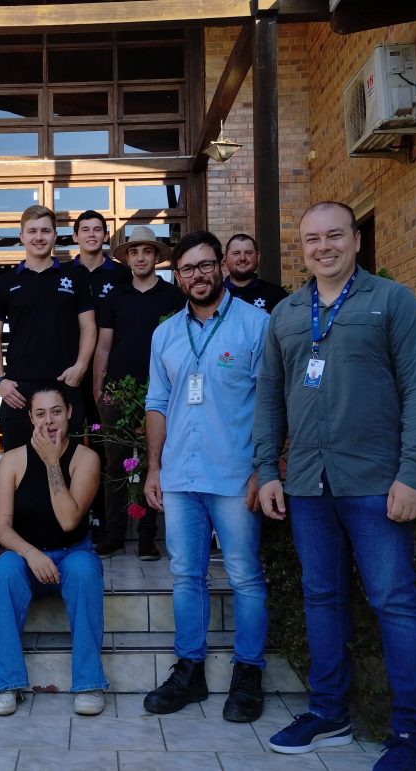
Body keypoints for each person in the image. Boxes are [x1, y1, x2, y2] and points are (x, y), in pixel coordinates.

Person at [255, 201, 416, 770]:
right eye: (312, 240)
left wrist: (414, 473)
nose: (324, 247)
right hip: (309, 485)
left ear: (356, 240)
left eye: (335, 235)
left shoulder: (392, 301)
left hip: (375, 483)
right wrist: (268, 470)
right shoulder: (286, 314)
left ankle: (413, 734)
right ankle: (329, 713)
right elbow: (268, 401)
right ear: (302, 248)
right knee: (321, 599)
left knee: (394, 602)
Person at [142, 230, 270, 723]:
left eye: (205, 265)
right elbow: (157, 404)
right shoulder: (166, 333)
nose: (197, 275)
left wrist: (264, 469)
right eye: (187, 269)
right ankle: (190, 670)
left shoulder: (256, 325)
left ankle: (248, 674)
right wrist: (154, 467)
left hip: (236, 475)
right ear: (178, 277)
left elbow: (270, 403)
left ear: (222, 266)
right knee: (184, 577)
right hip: (179, 476)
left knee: (244, 577)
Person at [0, 384, 107, 717]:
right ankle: (5, 683)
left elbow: (68, 520)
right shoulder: (11, 460)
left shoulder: (86, 458)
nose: (49, 421)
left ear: (69, 412)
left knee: (84, 572)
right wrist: (31, 554)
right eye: (40, 414)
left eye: (56, 411)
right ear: (30, 418)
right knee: (5, 570)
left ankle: (88, 682)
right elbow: (1, 529)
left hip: (72, 552)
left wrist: (53, 463)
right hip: (26, 555)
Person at [92, 225, 184, 560]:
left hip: (160, 395)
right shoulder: (115, 296)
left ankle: (147, 537)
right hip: (118, 392)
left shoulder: (174, 296)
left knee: (151, 463)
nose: (141, 257)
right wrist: (99, 388)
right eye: (134, 251)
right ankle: (114, 534)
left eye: (147, 251)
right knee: (115, 463)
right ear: (127, 258)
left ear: (156, 256)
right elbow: (103, 346)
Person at [0, 205, 96, 450]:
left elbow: (89, 327)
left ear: (55, 236)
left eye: (45, 231)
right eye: (32, 231)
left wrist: (81, 366)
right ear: (22, 236)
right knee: (19, 466)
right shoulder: (4, 283)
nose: (39, 237)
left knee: (69, 465)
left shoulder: (76, 278)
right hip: (18, 390)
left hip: (66, 384)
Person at [72, 210, 131, 543]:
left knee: (106, 449)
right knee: (72, 448)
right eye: (85, 230)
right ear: (75, 235)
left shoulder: (121, 275)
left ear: (106, 236)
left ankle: (107, 521)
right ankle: (78, 516)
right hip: (72, 374)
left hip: (111, 377)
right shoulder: (64, 273)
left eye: (98, 230)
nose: (92, 235)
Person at [223, 233, 288, 314]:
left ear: (258, 257)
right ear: (225, 260)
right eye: (236, 253)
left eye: (248, 253)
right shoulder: (216, 294)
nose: (242, 258)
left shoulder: (276, 294)